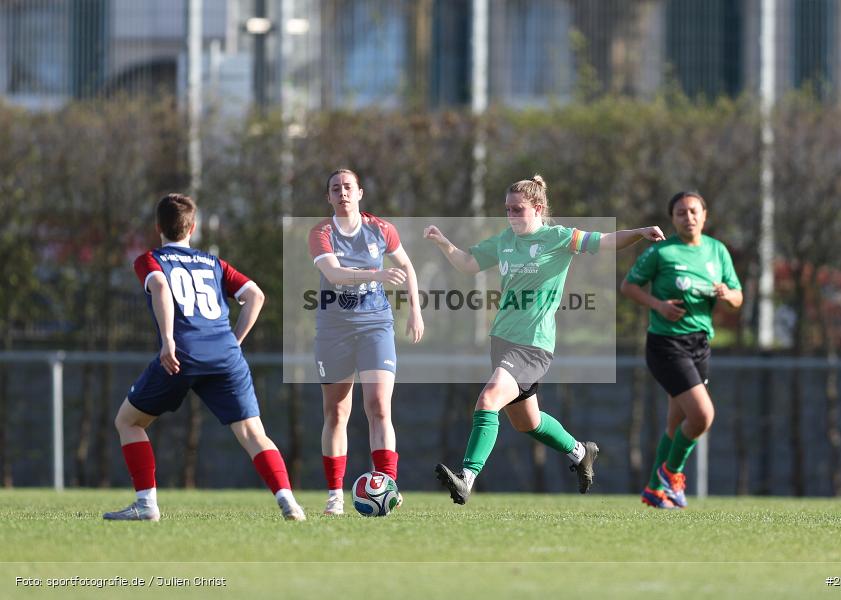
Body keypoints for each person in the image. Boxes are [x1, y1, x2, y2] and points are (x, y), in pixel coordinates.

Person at [425, 174, 664, 504]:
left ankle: (467, 477)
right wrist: (443, 243)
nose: (511, 216)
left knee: (488, 399)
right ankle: (581, 452)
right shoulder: (505, 240)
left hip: (533, 344)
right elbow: (468, 264)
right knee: (528, 422)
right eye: (507, 210)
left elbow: (607, 240)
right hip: (502, 341)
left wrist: (638, 233)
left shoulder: (560, 238)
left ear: (537, 209)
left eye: (517, 209)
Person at [104, 193, 305, 521]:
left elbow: (161, 289)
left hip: (180, 354)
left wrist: (167, 339)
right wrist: (235, 341)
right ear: (193, 228)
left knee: (128, 422)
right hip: (225, 355)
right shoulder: (213, 263)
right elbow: (255, 295)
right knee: (254, 434)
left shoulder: (150, 259)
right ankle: (288, 501)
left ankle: (146, 504)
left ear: (158, 227)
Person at [309, 168, 424, 516]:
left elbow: (407, 266)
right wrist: (377, 274)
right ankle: (334, 496)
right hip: (334, 329)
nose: (342, 193)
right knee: (337, 411)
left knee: (378, 406)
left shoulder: (381, 229)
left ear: (360, 193)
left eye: (348, 187)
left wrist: (415, 311)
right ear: (328, 197)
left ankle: (387, 487)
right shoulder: (321, 232)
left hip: (376, 325)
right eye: (335, 188)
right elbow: (334, 273)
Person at [620, 190, 742, 509]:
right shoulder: (663, 252)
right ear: (672, 219)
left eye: (693, 211)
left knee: (676, 425)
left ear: (704, 215)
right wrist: (658, 305)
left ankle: (653, 491)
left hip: (700, 343)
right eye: (680, 213)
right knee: (702, 416)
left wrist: (728, 294)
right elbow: (628, 286)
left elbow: (738, 296)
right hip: (666, 345)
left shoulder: (717, 251)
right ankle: (671, 476)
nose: (688, 217)